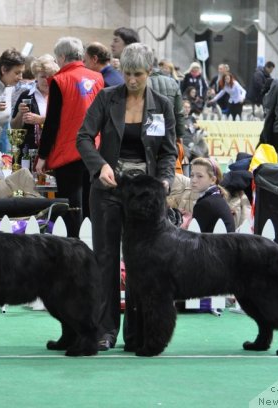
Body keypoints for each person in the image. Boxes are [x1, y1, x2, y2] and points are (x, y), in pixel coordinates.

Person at [76, 43, 177, 351]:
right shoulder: (107, 98)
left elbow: (168, 151)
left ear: (150, 72)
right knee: (106, 259)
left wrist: (165, 179)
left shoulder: (162, 104)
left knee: (141, 263)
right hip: (108, 189)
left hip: (145, 196)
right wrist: (100, 166)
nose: (132, 80)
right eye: (127, 73)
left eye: (138, 74)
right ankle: (106, 331)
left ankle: (137, 333)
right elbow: (83, 138)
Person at [35, 37, 104, 237]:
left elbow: (52, 122)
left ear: (63, 57)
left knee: (71, 206)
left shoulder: (59, 80)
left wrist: (43, 156)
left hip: (69, 152)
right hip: (94, 151)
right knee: (91, 204)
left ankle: (74, 248)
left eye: (57, 59)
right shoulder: (98, 78)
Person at [11, 54, 59, 150]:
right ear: (36, 77)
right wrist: (20, 114)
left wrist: (41, 120)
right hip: (30, 150)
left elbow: (64, 121)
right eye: (43, 77)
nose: (46, 80)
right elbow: (14, 127)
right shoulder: (26, 95)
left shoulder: (60, 95)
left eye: (50, 77)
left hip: (55, 148)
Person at [189, 157, 235, 233]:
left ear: (213, 180)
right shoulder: (215, 197)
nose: (193, 180)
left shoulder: (205, 204)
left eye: (199, 176)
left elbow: (194, 237)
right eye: (192, 175)